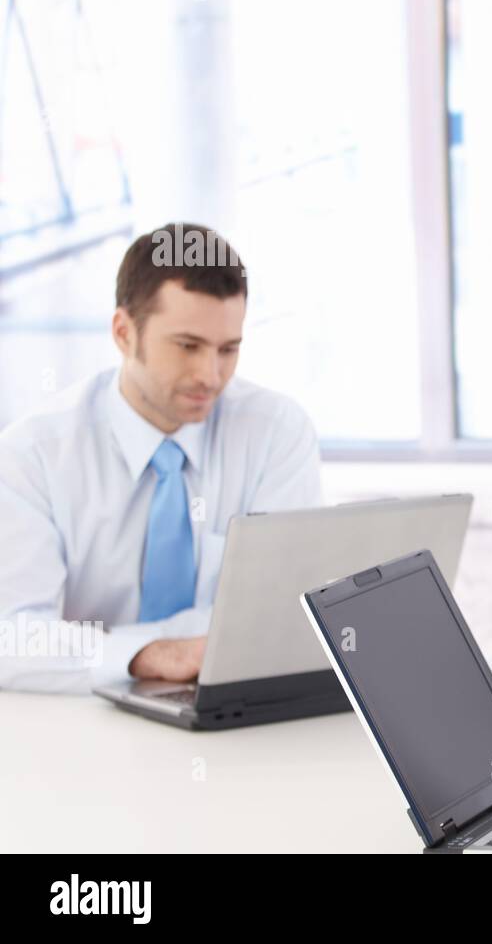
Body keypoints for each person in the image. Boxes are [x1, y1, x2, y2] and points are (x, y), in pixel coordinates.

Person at [0, 224, 322, 693]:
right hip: (80, 711)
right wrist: (144, 655)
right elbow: (12, 634)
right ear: (123, 333)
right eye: (188, 346)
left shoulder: (276, 432)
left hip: (226, 701)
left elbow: (282, 607)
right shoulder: (33, 454)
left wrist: (87, 648)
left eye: (228, 349)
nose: (210, 375)